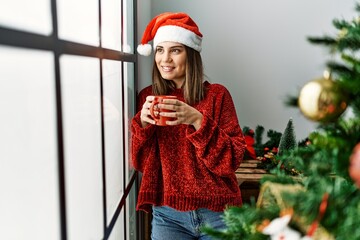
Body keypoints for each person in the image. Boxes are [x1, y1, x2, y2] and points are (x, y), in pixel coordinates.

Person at [131, 12, 246, 240]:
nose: (165, 59)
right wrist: (142, 124)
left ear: (190, 54)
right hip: (168, 216)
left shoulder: (217, 95)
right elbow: (140, 162)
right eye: (160, 50)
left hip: (219, 213)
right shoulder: (148, 98)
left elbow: (232, 160)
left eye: (175, 50)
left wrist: (197, 120)